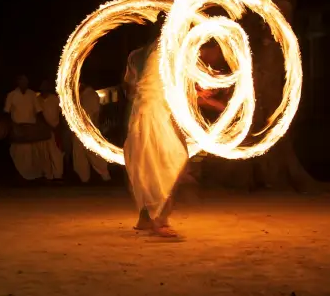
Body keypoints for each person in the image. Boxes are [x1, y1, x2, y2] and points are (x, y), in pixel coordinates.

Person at [124, 18, 227, 237]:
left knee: (147, 165)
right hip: (156, 115)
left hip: (141, 115)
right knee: (171, 160)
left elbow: (131, 88)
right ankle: (160, 220)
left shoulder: (138, 54)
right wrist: (206, 98)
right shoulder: (169, 54)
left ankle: (145, 217)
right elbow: (178, 92)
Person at [4, 75, 48, 181]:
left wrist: (44, 125)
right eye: (22, 81)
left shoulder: (32, 94)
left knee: (31, 154)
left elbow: (38, 111)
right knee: (18, 153)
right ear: (18, 82)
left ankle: (32, 177)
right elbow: (6, 112)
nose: (24, 83)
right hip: (17, 127)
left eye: (26, 81)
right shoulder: (12, 95)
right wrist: (11, 126)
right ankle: (19, 176)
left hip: (30, 128)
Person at [72, 83, 111, 183]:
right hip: (78, 130)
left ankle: (105, 176)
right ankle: (84, 179)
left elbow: (96, 114)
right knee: (79, 155)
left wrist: (94, 131)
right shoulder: (78, 96)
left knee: (94, 154)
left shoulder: (91, 95)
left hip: (90, 131)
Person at [37, 79, 64, 180]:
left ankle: (58, 176)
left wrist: (58, 128)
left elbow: (62, 114)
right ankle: (48, 176)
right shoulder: (37, 100)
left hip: (55, 130)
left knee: (56, 153)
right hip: (43, 131)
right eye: (42, 86)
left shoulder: (55, 99)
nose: (44, 88)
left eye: (46, 86)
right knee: (44, 154)